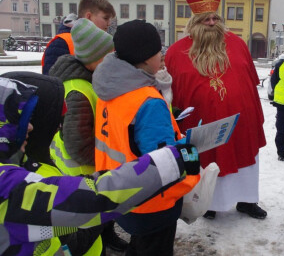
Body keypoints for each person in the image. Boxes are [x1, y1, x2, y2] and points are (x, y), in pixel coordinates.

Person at [0, 75, 200, 256]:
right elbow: (97, 196)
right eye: (19, 120)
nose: (30, 127)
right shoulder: (9, 188)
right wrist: (171, 161)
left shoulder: (18, 166)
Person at [93, 19, 199, 256]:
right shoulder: (148, 101)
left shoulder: (109, 87)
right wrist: (190, 150)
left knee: (140, 247)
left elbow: (125, 134)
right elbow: (165, 165)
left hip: (117, 190)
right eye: (157, 50)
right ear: (143, 58)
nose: (161, 55)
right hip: (150, 202)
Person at [165, 0, 267, 220]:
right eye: (205, 19)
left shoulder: (238, 44)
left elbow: (250, 81)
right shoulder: (175, 52)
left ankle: (247, 200)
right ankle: (208, 203)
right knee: (208, 164)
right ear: (194, 21)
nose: (211, 23)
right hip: (202, 126)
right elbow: (173, 93)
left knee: (246, 164)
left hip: (240, 123)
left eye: (214, 18)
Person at [47, 18, 128, 253]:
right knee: (87, 229)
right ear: (93, 59)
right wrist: (105, 159)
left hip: (90, 171)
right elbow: (76, 143)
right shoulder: (77, 90)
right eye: (108, 55)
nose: (113, 59)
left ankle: (106, 236)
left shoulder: (90, 80)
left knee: (98, 222)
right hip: (81, 175)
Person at [42, 0, 116, 75]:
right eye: (105, 18)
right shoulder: (61, 43)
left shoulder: (104, 42)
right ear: (89, 17)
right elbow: (51, 83)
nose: (109, 24)